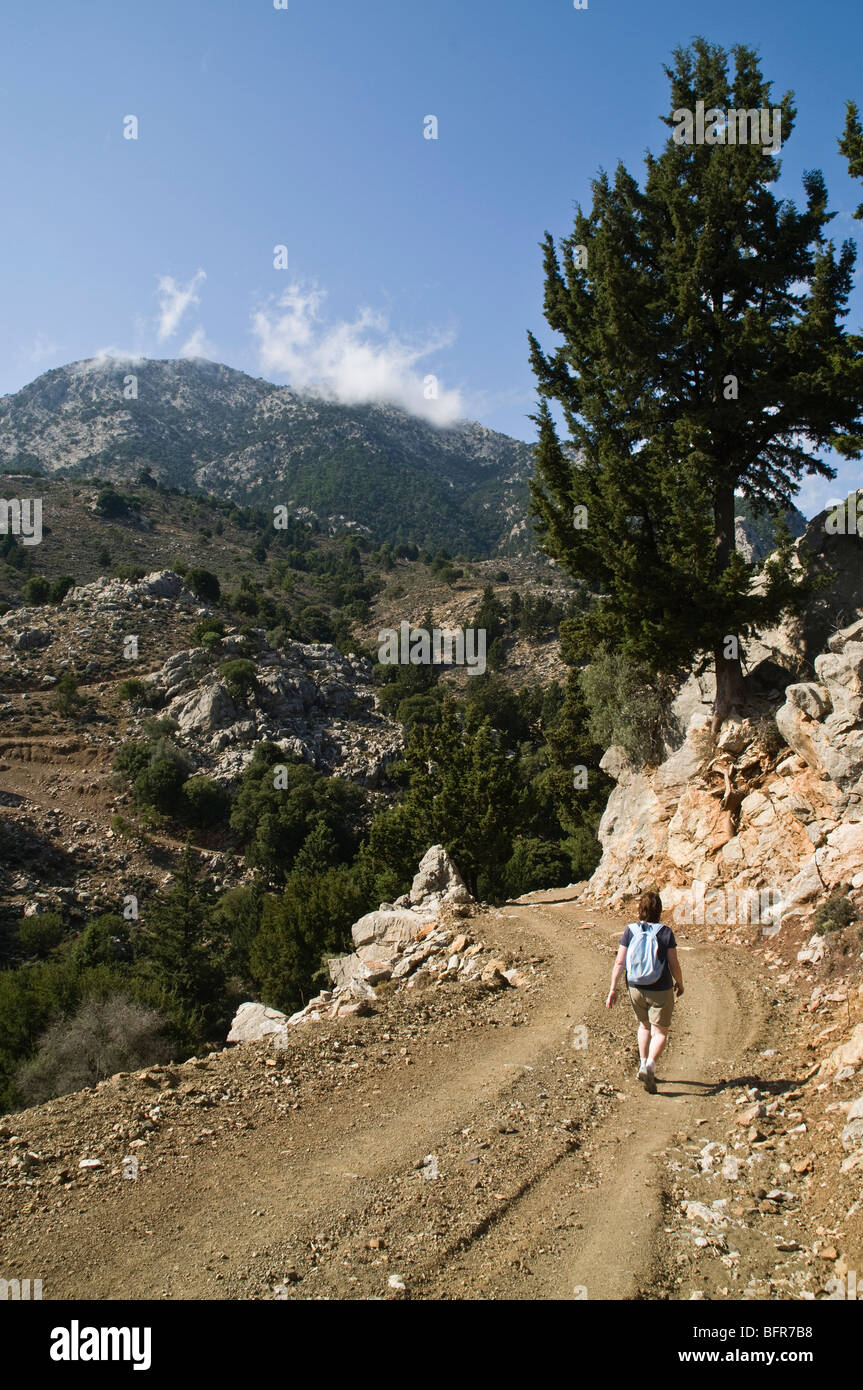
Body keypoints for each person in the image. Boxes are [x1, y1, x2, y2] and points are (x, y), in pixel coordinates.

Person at [605, 889, 683, 1094]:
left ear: (640, 909)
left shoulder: (630, 930)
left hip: (635, 987)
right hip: (660, 986)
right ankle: (650, 1065)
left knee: (644, 1025)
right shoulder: (665, 932)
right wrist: (680, 983)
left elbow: (620, 961)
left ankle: (641, 1064)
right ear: (660, 911)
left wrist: (613, 988)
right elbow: (674, 963)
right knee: (661, 1032)